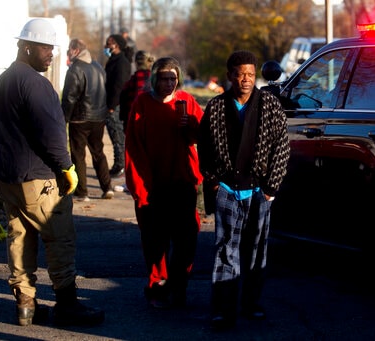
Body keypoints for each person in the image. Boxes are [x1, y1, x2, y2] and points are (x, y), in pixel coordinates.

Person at [0, 19, 105, 327]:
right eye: (45, 48)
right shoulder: (36, 85)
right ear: (26, 47)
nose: (51, 54)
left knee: (20, 237)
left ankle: (25, 305)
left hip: (7, 177)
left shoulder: (2, 81)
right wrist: (66, 168)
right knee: (60, 238)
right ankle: (67, 305)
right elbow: (52, 134)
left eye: (52, 48)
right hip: (37, 179)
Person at [197, 50, 290, 330]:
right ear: (230, 76)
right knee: (226, 250)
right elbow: (204, 148)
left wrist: (271, 188)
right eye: (240, 74)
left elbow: (282, 148)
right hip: (227, 189)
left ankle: (251, 304)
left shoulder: (270, 105)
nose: (246, 79)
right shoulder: (215, 107)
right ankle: (223, 311)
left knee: (255, 252)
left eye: (250, 74)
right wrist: (213, 180)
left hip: (259, 191)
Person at [124, 57, 204, 309]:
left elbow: (203, 135)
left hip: (183, 182)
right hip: (153, 184)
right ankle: (157, 286)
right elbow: (133, 148)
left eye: (173, 78)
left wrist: (190, 124)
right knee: (154, 240)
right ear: (154, 79)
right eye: (164, 78)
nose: (169, 83)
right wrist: (139, 188)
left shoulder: (187, 102)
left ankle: (179, 283)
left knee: (186, 238)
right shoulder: (142, 104)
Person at [62, 38, 114, 202]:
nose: (68, 53)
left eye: (69, 49)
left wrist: (64, 118)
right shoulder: (98, 66)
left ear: (75, 50)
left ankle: (82, 191)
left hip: (80, 118)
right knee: (98, 152)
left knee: (78, 155)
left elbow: (69, 97)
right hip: (99, 117)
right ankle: (107, 188)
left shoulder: (75, 69)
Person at [104, 34, 132, 178]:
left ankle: (120, 165)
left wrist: (112, 105)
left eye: (109, 43)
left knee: (118, 137)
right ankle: (118, 163)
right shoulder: (113, 60)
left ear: (117, 45)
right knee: (115, 136)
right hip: (112, 104)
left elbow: (118, 86)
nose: (106, 46)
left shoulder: (121, 62)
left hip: (115, 105)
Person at [119, 50, 155, 132]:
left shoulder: (133, 79)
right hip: (151, 120)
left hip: (133, 120)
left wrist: (123, 118)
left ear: (136, 63)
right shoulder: (155, 79)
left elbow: (123, 98)